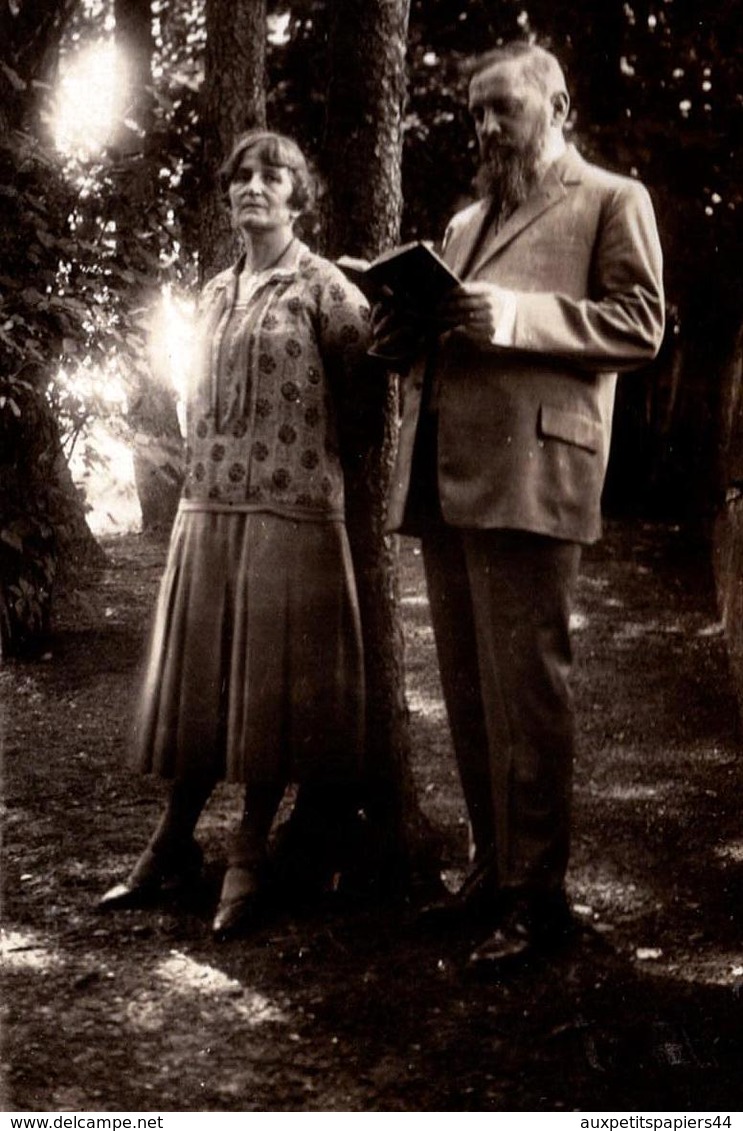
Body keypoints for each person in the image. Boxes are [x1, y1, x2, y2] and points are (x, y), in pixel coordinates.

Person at [375, 42, 665, 971]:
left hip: (536, 474)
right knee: (465, 691)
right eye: (476, 115)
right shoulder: (461, 223)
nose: (488, 128)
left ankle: (538, 902)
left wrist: (513, 317)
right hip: (446, 474)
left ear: (557, 103)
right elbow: (440, 332)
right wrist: (397, 331)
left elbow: (639, 324)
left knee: (527, 696)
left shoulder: (612, 200)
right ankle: (488, 874)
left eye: (504, 108)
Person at [99, 130, 372, 937]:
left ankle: (249, 852)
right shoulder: (215, 292)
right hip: (208, 508)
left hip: (290, 511)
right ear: (228, 196)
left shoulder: (328, 290)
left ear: (299, 195)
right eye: (241, 176)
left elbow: (363, 411)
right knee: (201, 685)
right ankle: (170, 843)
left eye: (272, 174)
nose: (254, 185)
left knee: (268, 692)